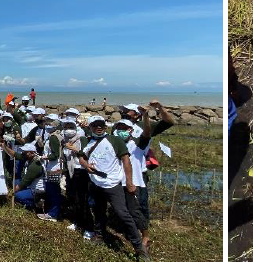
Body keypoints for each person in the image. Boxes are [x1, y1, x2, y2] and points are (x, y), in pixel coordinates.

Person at [78, 115, 148, 260]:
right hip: (96, 184)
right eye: (95, 125)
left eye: (101, 125)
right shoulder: (89, 142)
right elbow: (81, 157)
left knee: (123, 213)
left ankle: (139, 248)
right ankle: (99, 235)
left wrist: (129, 182)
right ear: (90, 127)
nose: (98, 127)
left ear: (105, 126)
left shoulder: (115, 140)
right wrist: (86, 166)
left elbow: (126, 161)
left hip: (112, 184)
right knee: (98, 211)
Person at [118, 101, 176, 252]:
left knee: (141, 203)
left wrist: (158, 108)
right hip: (122, 171)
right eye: (123, 109)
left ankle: (144, 232)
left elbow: (168, 122)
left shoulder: (144, 127)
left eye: (127, 110)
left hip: (139, 171)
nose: (124, 112)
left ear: (136, 114)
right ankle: (131, 229)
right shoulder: (118, 127)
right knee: (126, 203)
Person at [60, 117, 95, 239]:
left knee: (83, 200)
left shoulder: (82, 139)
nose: (68, 130)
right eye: (66, 127)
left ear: (76, 128)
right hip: (71, 172)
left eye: (71, 127)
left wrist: (75, 149)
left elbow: (86, 155)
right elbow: (64, 157)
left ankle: (89, 227)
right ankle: (77, 222)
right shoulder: (64, 140)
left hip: (81, 171)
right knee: (73, 198)